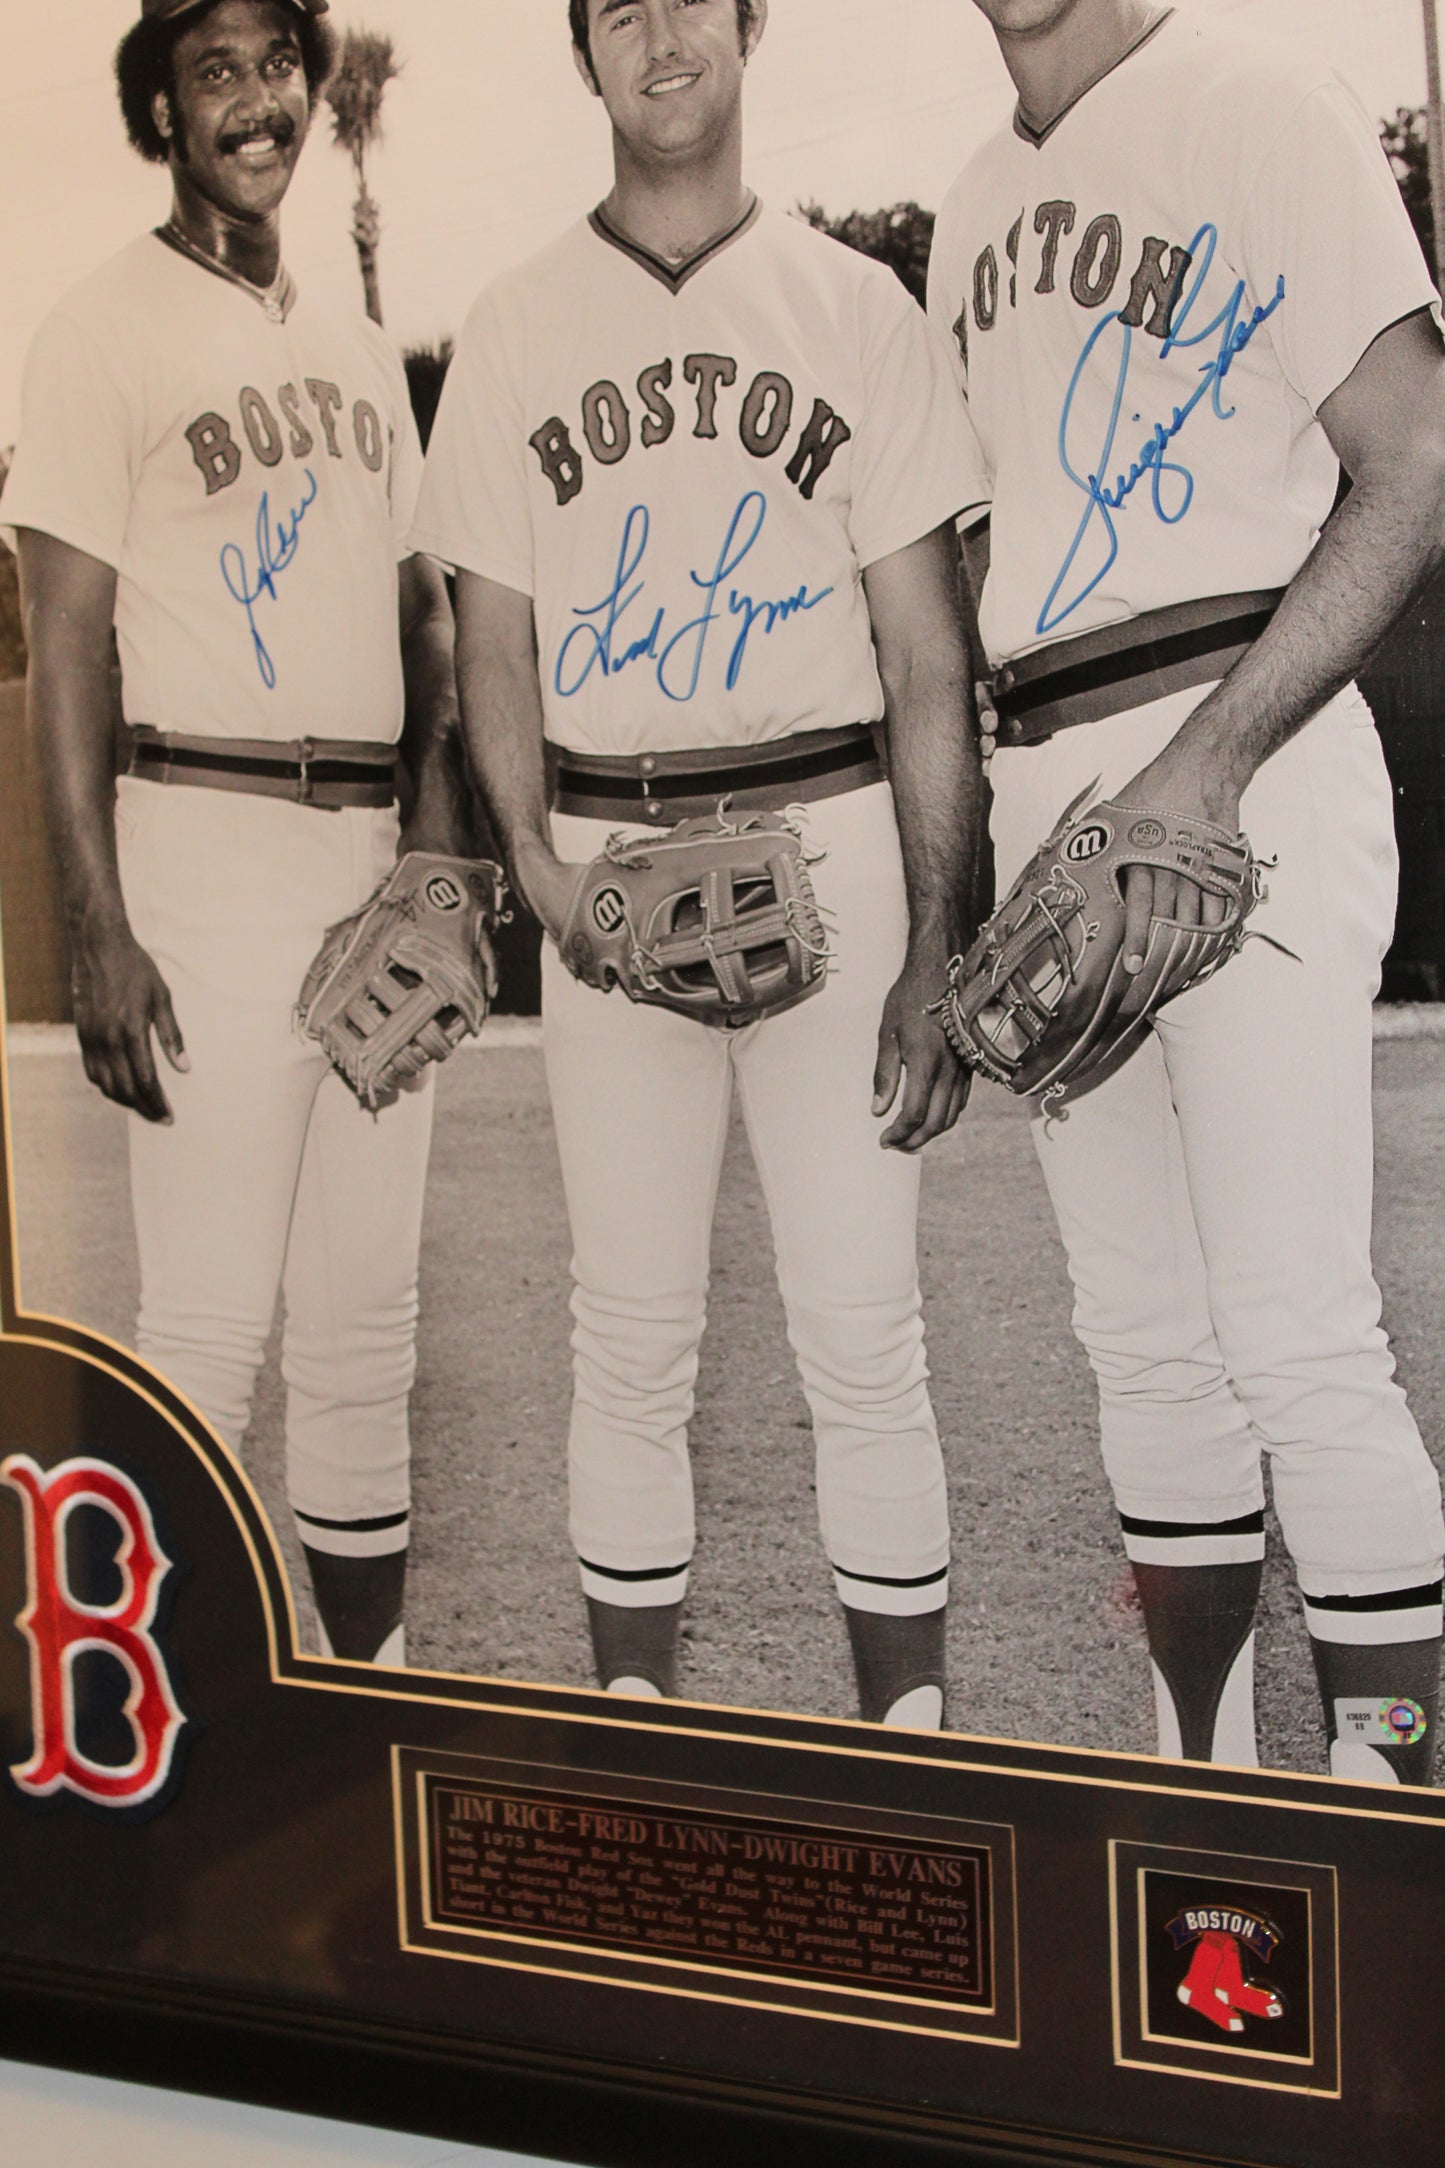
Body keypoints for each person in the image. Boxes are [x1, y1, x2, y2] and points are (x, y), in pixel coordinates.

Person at [411, 0, 990, 1726]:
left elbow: (925, 659)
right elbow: (487, 646)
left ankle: (911, 1747)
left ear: (751, 25)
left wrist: (934, 941)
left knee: (864, 1331)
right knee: (627, 1334)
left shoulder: (850, 305)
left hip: (830, 832)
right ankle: (640, 1741)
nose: (659, 31)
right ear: (581, 53)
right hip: (607, 850)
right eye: (615, 7)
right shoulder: (513, 326)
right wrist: (536, 872)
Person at [929, 0, 1445, 1781]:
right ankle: (1197, 1783)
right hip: (1055, 778)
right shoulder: (971, 203)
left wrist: (1208, 763)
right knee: (1142, 1346)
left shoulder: (1260, 98)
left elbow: (1418, 455)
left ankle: (1389, 1808)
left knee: (1299, 1333)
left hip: (1249, 744)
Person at [1, 0, 479, 1668]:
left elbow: (425, 612)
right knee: (205, 1332)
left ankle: (369, 1711)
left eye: (280, 65)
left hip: (365, 864)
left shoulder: (354, 342)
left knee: (367, 1332)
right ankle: (156, 1763)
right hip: (198, 845)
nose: (261, 101)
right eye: (216, 73)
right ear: (159, 114)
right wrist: (94, 924)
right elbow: (61, 640)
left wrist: (432, 842)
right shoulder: (98, 327)